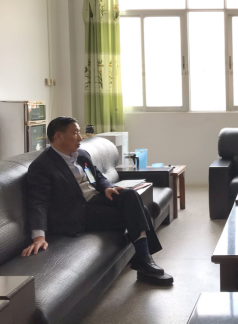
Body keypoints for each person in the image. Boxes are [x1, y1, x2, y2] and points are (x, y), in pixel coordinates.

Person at [22, 117, 173, 286]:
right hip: (76, 213)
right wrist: (38, 237)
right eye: (75, 133)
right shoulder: (42, 166)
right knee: (140, 211)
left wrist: (107, 187)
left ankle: (144, 260)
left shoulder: (81, 155)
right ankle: (144, 260)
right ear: (59, 136)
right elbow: (38, 202)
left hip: (96, 199)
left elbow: (97, 176)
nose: (80, 137)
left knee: (130, 195)